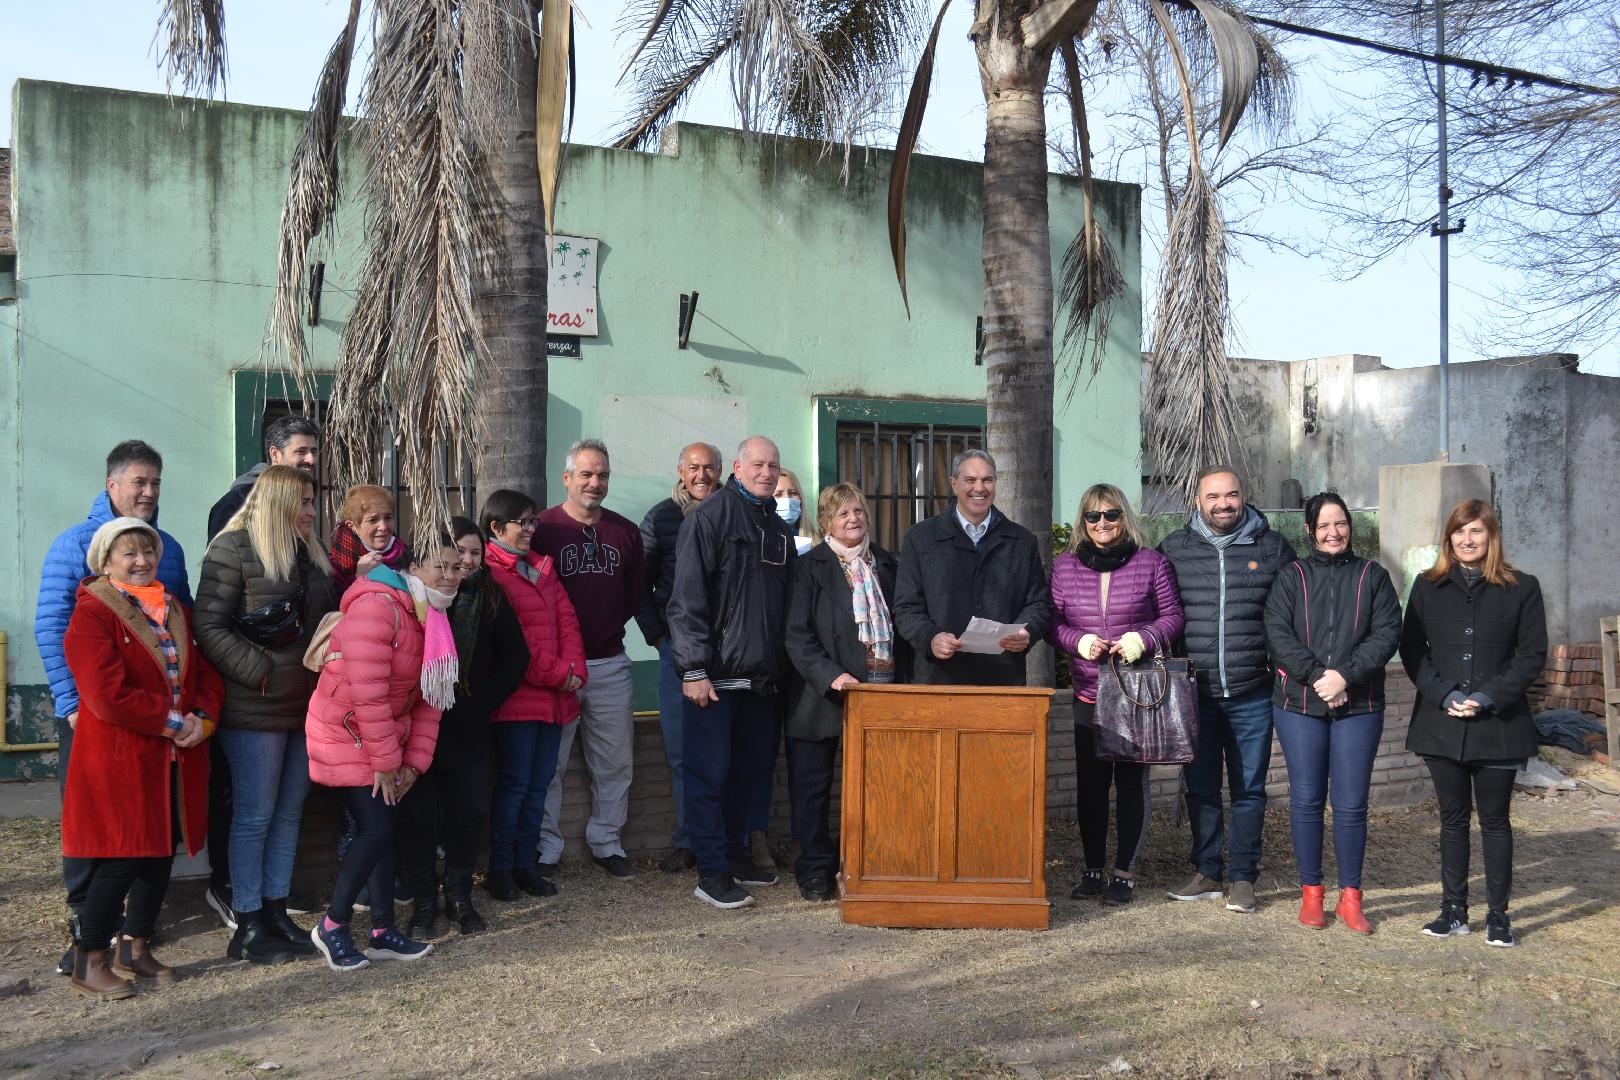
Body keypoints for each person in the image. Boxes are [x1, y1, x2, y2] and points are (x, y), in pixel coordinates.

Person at [34, 439, 193, 976]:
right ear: (112, 485)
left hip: (156, 725)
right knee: (99, 837)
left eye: (155, 484)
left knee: (151, 838)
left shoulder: (166, 546)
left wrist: (190, 712)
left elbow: (183, 633)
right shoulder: (76, 545)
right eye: (138, 483)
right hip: (99, 716)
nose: (147, 493)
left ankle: (134, 940)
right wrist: (73, 702)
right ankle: (85, 937)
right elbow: (53, 627)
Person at [59, 518, 223, 999]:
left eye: (147, 551)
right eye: (128, 553)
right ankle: (90, 960)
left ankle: (137, 945)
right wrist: (174, 723)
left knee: (159, 852)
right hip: (121, 756)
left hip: (173, 757)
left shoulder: (171, 607)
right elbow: (106, 694)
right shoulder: (91, 613)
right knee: (121, 856)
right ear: (105, 561)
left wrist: (202, 718)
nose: (142, 561)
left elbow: (205, 671)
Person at [194, 465, 339, 964]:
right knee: (254, 815)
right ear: (276, 502)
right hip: (252, 707)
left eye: (312, 500)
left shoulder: (310, 555)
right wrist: (257, 672)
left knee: (288, 813)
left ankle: (276, 911)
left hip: (303, 706)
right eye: (301, 501)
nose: (310, 510)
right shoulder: (230, 550)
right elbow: (208, 626)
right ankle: (249, 921)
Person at [1400, 499, 1546, 948]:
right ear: (1449, 538)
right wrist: (1444, 693)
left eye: (1476, 532)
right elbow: (1413, 651)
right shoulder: (1428, 586)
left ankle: (1498, 917)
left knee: (1496, 822)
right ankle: (1454, 911)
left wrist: (1486, 697)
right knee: (1452, 821)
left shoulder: (1522, 588)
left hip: (1498, 724)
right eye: (1459, 532)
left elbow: (1531, 655)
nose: (1467, 540)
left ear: (1491, 536)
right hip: (1442, 722)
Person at [305, 533, 452, 971]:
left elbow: (430, 697)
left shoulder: (432, 614)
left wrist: (412, 764)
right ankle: (332, 926)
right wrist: (387, 763)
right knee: (375, 828)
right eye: (441, 565)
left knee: (383, 829)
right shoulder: (379, 605)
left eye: (458, 566)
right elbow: (367, 695)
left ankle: (383, 930)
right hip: (345, 732)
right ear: (414, 566)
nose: (451, 575)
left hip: (381, 739)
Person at [1158, 466, 1296, 914]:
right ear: (1198, 501)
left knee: (1249, 789)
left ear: (1244, 496)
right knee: (1199, 787)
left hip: (1251, 691)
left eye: (1231, 495)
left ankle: (1243, 877)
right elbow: (1156, 608)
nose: (1223, 504)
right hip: (1194, 694)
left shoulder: (1273, 548)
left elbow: (1295, 614)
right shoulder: (1174, 550)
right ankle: (1207, 871)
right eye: (1213, 496)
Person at [667, 436, 798, 910]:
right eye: (758, 464)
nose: (766, 472)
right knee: (709, 777)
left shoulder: (778, 529)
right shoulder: (708, 518)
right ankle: (713, 872)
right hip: (715, 680)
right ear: (738, 467)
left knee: (749, 776)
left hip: (762, 681)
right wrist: (694, 668)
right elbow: (686, 602)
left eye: (774, 465)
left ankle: (738, 855)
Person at [1263, 492, 1401, 933]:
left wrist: (1345, 676)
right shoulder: (1292, 577)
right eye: (1323, 525)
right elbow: (1278, 634)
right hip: (1299, 704)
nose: (1333, 532)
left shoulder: (1373, 576)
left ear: (1350, 527)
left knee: (1351, 804)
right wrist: (1321, 679)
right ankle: (1312, 895)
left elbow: (1386, 635)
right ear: (1309, 531)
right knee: (1305, 801)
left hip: (1360, 704)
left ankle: (1351, 898)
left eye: (1339, 523)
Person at [1048, 484, 1184, 907]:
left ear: (1124, 517)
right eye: (1093, 516)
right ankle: (1092, 868)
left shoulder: (1151, 563)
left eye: (1111, 514)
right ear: (1082, 522)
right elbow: (1050, 621)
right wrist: (1076, 641)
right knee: (1090, 787)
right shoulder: (1065, 567)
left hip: (1134, 693)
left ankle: (1124, 872)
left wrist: (1143, 639)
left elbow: (1173, 617)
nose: (1102, 523)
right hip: (1089, 693)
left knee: (1130, 785)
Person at [399, 518, 530, 937]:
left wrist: (482, 698)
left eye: (472, 554)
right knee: (419, 821)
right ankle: (423, 904)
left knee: (469, 815)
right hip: (418, 730)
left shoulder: (489, 598)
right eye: (455, 557)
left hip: (469, 730)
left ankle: (459, 895)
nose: (462, 565)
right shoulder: (416, 601)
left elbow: (516, 657)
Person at [783, 483, 905, 902]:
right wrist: (831, 675)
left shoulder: (888, 564)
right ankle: (815, 869)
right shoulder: (809, 566)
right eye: (842, 514)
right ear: (825, 522)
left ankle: (868, 860)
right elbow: (796, 635)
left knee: (875, 786)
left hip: (879, 693)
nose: (853, 519)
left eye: (858, 511)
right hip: (823, 695)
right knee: (813, 789)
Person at [533, 440, 646, 880]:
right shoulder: (542, 529)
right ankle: (546, 849)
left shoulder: (625, 532)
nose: (594, 483)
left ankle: (607, 842)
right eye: (585, 474)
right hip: (557, 669)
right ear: (567, 478)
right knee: (551, 763)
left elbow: (633, 595)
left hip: (609, 662)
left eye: (601, 475)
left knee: (616, 761)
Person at [481, 489, 587, 902]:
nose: (529, 530)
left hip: (555, 700)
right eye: (521, 523)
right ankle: (501, 869)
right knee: (514, 785)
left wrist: (574, 671)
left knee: (539, 785)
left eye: (532, 522)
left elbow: (567, 621)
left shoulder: (541, 568)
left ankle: (527, 863)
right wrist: (560, 675)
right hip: (518, 702)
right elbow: (515, 645)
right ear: (496, 527)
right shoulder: (492, 573)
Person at [892, 448, 1051, 687]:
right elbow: (906, 607)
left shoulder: (1022, 540)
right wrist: (930, 638)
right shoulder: (920, 538)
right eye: (970, 480)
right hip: (939, 679)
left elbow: (1038, 603)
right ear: (954, 484)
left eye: (987, 480)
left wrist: (1026, 632)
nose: (980, 488)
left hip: (1003, 679)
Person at [636, 441, 722, 873]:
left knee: (727, 750)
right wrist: (657, 637)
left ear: (721, 471)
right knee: (682, 750)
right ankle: (688, 838)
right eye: (694, 468)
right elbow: (640, 583)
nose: (701, 475)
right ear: (680, 470)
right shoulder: (661, 517)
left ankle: (728, 838)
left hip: (728, 652)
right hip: (677, 651)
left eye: (709, 467)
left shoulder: (733, 512)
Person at [208, 415, 322, 542]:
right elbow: (221, 556)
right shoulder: (238, 501)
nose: (311, 460)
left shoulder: (308, 495)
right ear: (275, 454)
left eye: (313, 451)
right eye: (301, 452)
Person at [330, 484, 410, 597]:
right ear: (352, 526)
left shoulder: (408, 556)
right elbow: (334, 604)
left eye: (388, 517)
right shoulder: (335, 565)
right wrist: (359, 576)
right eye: (372, 520)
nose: (383, 527)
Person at [775, 468, 817, 555]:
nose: (787, 499)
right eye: (778, 494)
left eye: (792, 493)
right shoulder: (760, 541)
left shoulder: (818, 543)